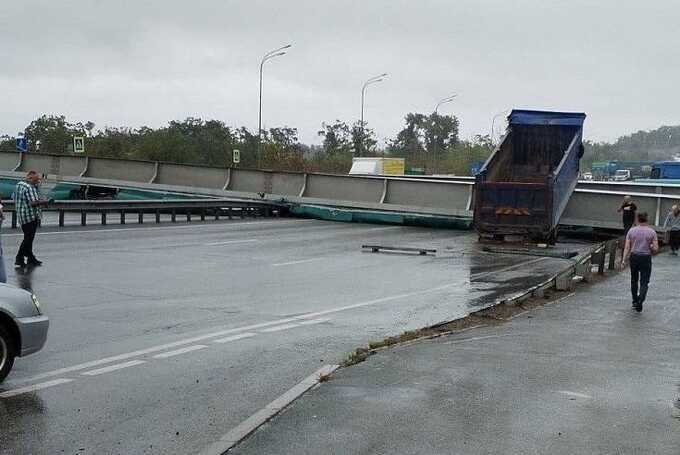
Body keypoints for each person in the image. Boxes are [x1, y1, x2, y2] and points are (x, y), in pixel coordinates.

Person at [622, 212, 658, 312]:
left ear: (637, 219)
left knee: (634, 280)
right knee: (644, 281)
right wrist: (651, 247)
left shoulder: (631, 231)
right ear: (647, 219)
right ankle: (640, 300)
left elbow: (627, 247)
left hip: (634, 257)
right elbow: (655, 249)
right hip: (645, 258)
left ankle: (634, 301)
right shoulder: (652, 232)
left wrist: (624, 260)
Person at [14, 171, 48, 268]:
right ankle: (20, 258)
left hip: (21, 215)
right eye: (35, 180)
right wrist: (44, 202)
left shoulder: (19, 185)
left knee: (28, 238)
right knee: (28, 238)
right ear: (30, 179)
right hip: (30, 216)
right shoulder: (30, 188)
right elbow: (33, 203)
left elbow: (13, 197)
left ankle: (30, 258)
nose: (37, 182)